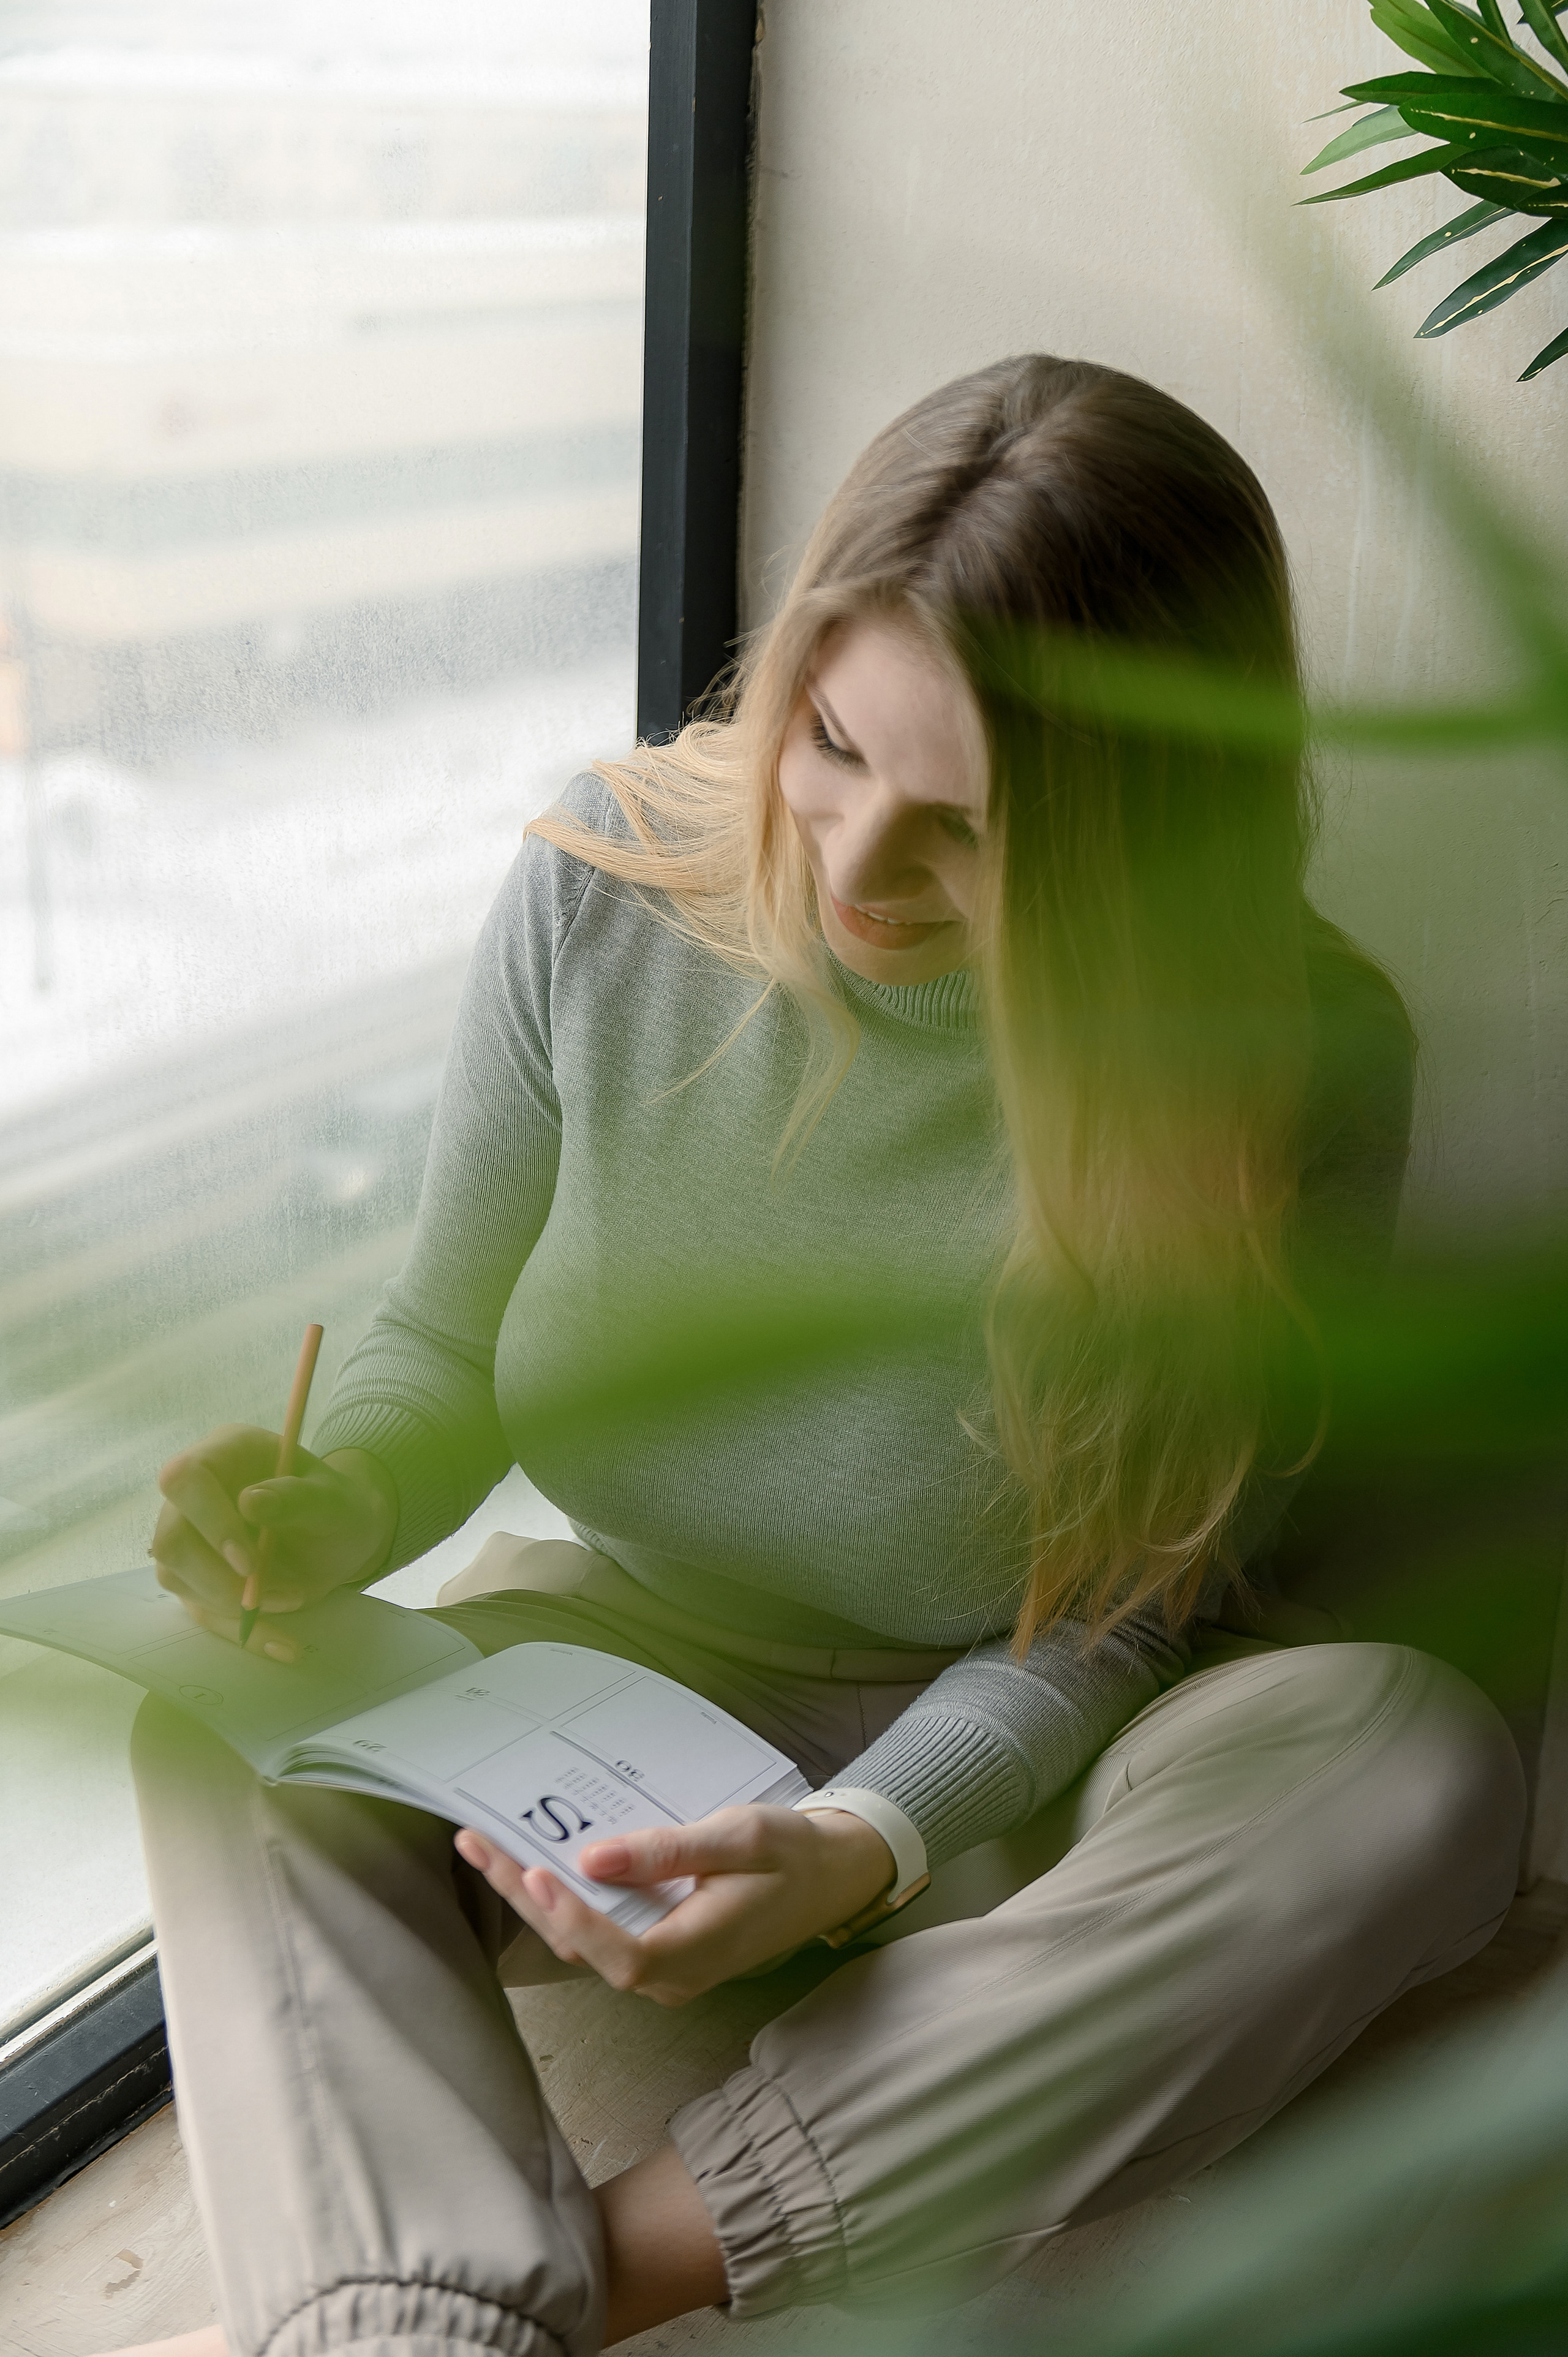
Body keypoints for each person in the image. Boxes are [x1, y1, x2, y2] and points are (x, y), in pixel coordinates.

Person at [126, 356, 1523, 2357]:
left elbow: (1132, 1605)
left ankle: (567, 2285)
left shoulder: (1292, 1052)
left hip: (1027, 1772)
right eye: (832, 746)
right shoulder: (603, 885)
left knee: (1406, 1756)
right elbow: (438, 1338)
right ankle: (419, 2326)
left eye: (970, 828)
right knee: (212, 1711)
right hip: (610, 1691)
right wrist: (331, 1500)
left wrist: (871, 1835)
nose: (859, 865)